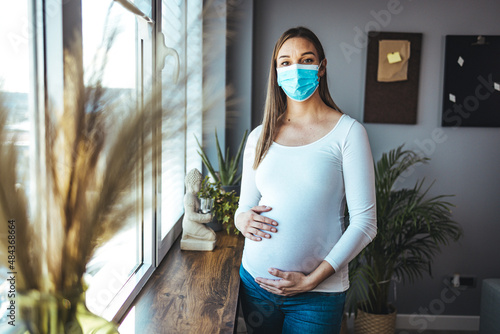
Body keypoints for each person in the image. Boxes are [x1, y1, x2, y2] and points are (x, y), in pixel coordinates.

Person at [234, 26, 377, 334]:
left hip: (318, 294)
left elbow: (365, 223)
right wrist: (241, 219)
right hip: (257, 286)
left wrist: (313, 279)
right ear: (275, 70)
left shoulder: (348, 133)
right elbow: (244, 207)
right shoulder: (260, 136)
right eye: (285, 62)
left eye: (306, 59)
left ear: (322, 67)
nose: (295, 69)